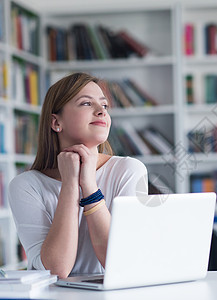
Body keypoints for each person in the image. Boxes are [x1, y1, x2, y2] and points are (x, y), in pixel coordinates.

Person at [8, 72, 148, 278]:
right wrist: (70, 184)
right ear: (56, 122)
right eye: (86, 104)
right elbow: (56, 270)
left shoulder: (129, 171)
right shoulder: (26, 185)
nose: (101, 111)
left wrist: (89, 185)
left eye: (105, 106)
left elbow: (121, 262)